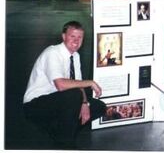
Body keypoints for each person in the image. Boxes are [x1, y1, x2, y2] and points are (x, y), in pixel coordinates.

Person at [23, 21, 106, 149]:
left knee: (98, 107)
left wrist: (84, 103)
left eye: (80, 37)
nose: (76, 41)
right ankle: (66, 143)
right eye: (72, 36)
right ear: (63, 36)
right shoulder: (53, 53)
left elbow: (78, 84)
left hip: (59, 101)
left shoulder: (75, 56)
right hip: (36, 105)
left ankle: (60, 133)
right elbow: (60, 85)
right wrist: (90, 82)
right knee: (73, 95)